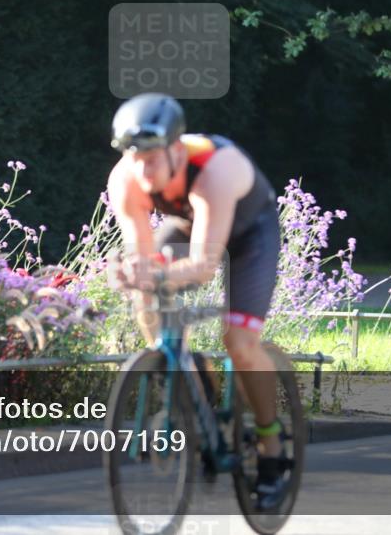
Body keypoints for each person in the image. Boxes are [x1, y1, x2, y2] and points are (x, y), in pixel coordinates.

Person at [105, 93, 287, 508]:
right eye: (135, 158)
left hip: (250, 235)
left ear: (176, 149)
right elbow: (142, 254)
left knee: (239, 343)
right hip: (189, 225)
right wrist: (135, 272)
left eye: (152, 159)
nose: (142, 169)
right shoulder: (125, 180)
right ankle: (192, 383)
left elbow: (204, 265)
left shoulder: (215, 170)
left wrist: (155, 271)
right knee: (148, 293)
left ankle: (271, 447)